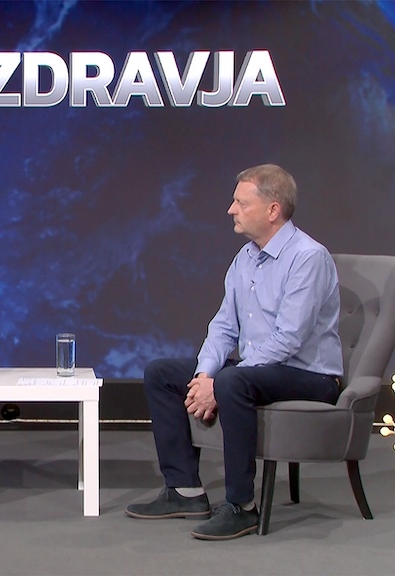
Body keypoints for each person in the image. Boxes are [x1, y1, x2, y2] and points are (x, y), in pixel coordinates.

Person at [125, 164, 343, 541]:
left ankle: (242, 506)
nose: (231, 209)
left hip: (311, 375)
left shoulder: (308, 257)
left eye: (241, 203)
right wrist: (205, 375)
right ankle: (184, 490)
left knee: (234, 381)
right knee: (162, 373)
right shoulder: (245, 258)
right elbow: (224, 326)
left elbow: (289, 338)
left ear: (273, 210)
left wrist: (222, 380)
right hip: (259, 370)